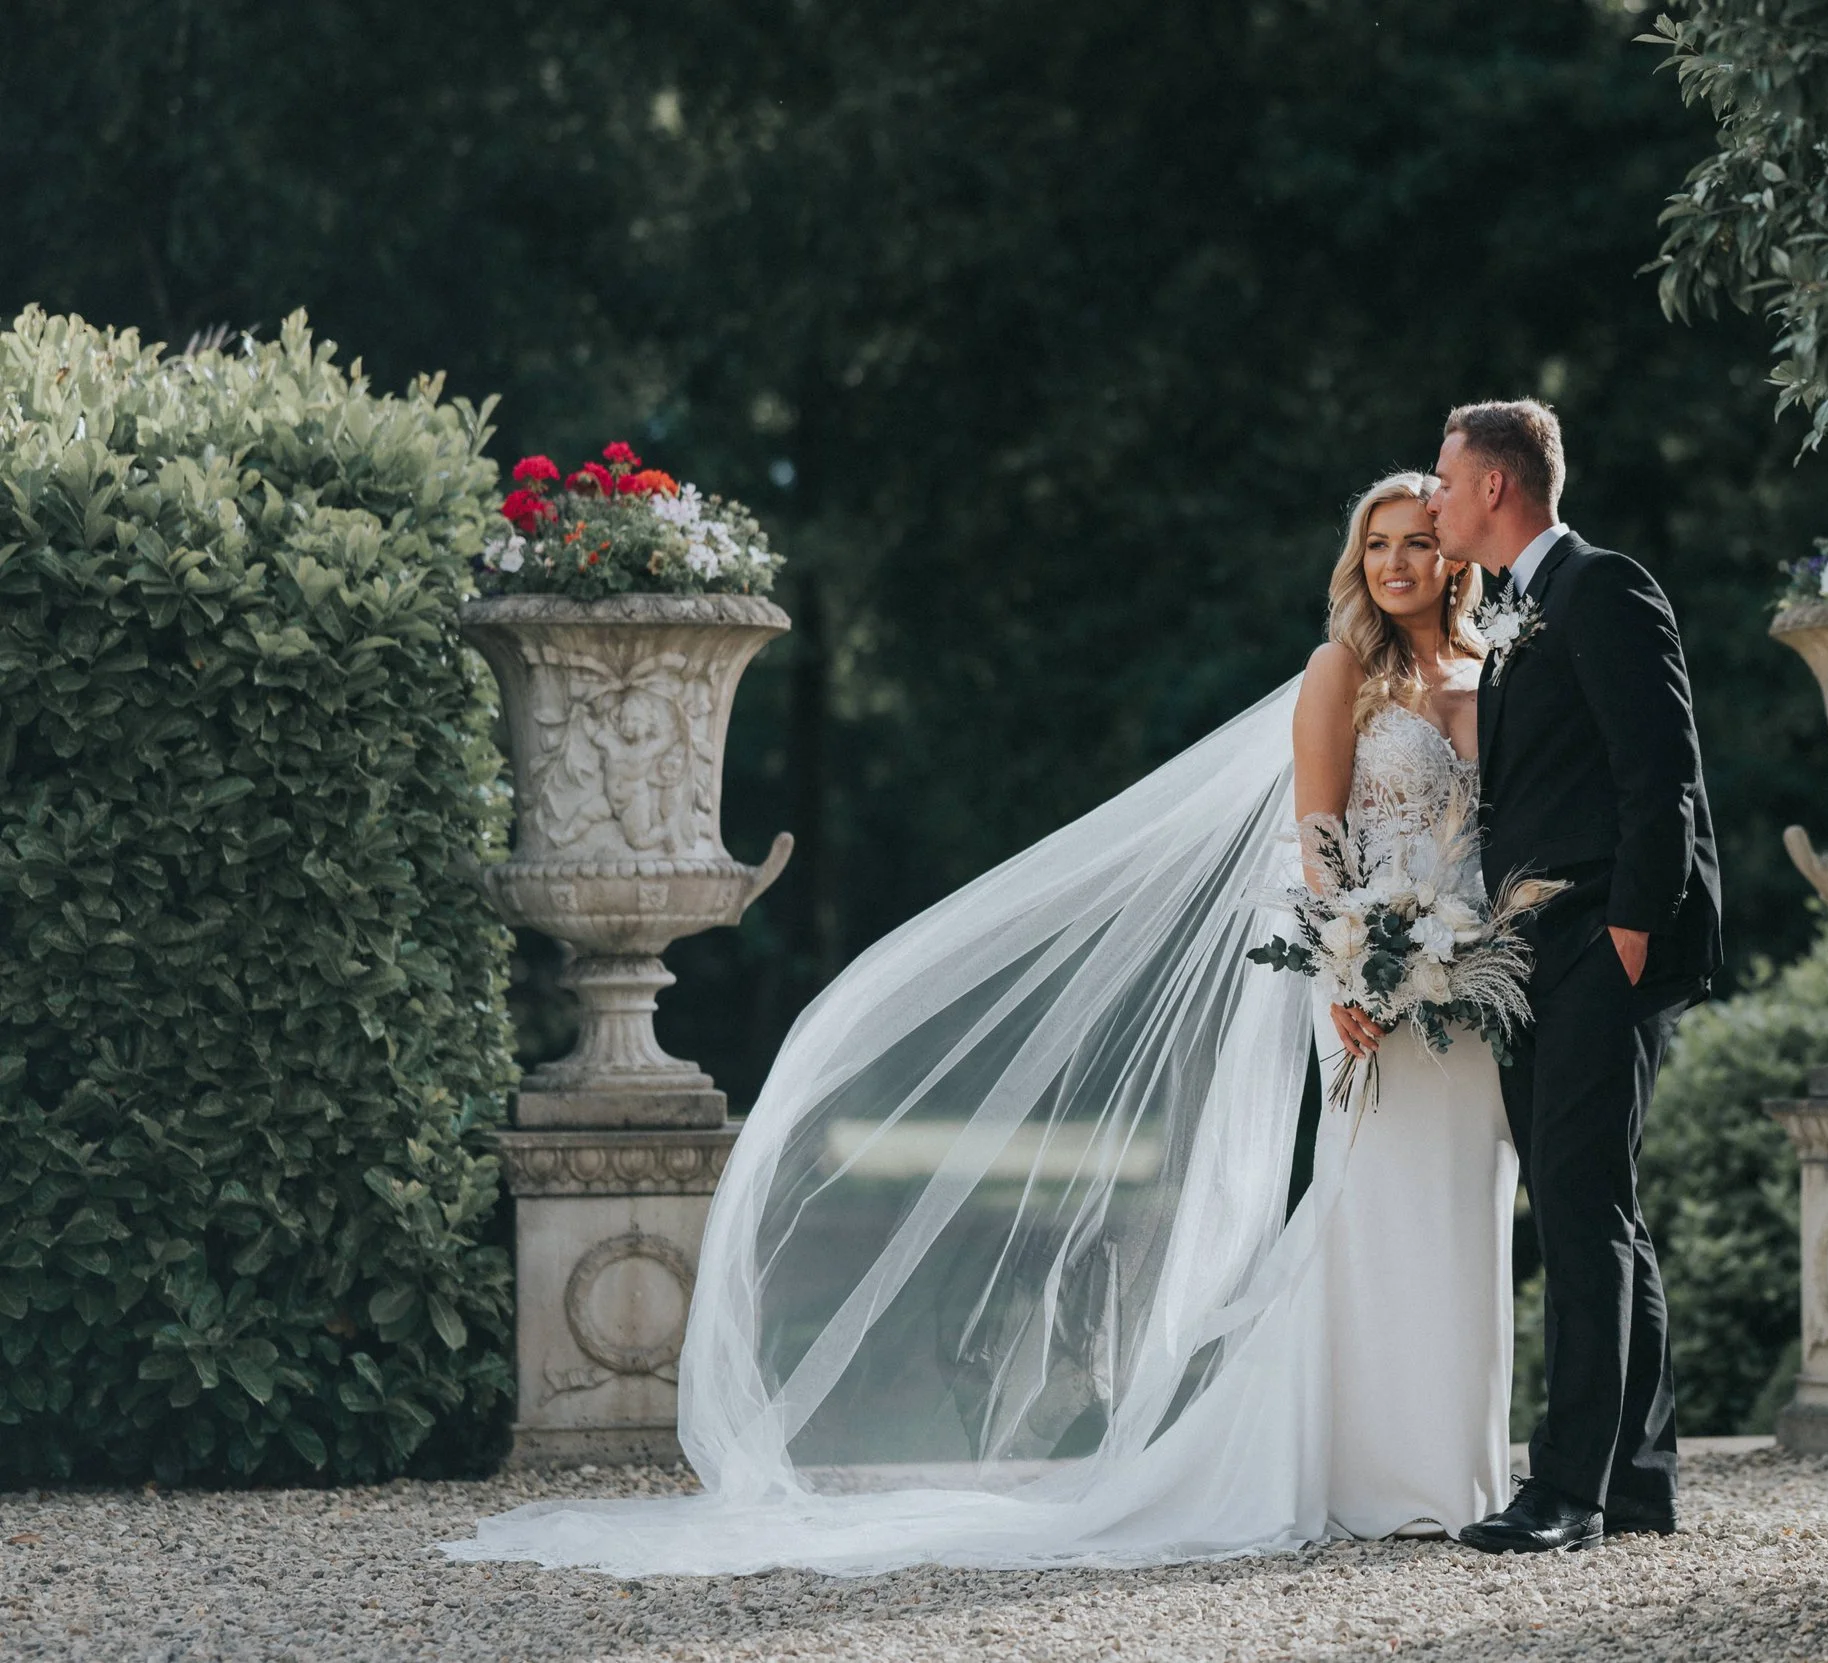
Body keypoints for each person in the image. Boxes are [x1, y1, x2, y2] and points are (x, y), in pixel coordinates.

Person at [442, 474, 1522, 1575]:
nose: (1394, 562)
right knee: (1368, 1205)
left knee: (1460, 1206)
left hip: (1471, 980)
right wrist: (1347, 961)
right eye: (1376, 544)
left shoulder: (1496, 671)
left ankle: (1455, 1469)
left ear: (1456, 557)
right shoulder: (1339, 671)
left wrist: (1477, 950)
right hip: (1363, 978)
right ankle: (1364, 1471)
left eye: (1417, 543)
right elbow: (1317, 838)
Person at [1427, 399, 1723, 1554]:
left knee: (1581, 1209)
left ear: (1496, 486)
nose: (1436, 500)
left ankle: (1565, 1491)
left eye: (1447, 484)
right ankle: (1637, 1480)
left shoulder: (1602, 586)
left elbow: (1663, 773)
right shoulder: (1512, 613)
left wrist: (1634, 930)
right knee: (1593, 1207)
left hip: (1602, 938)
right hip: (1528, 954)